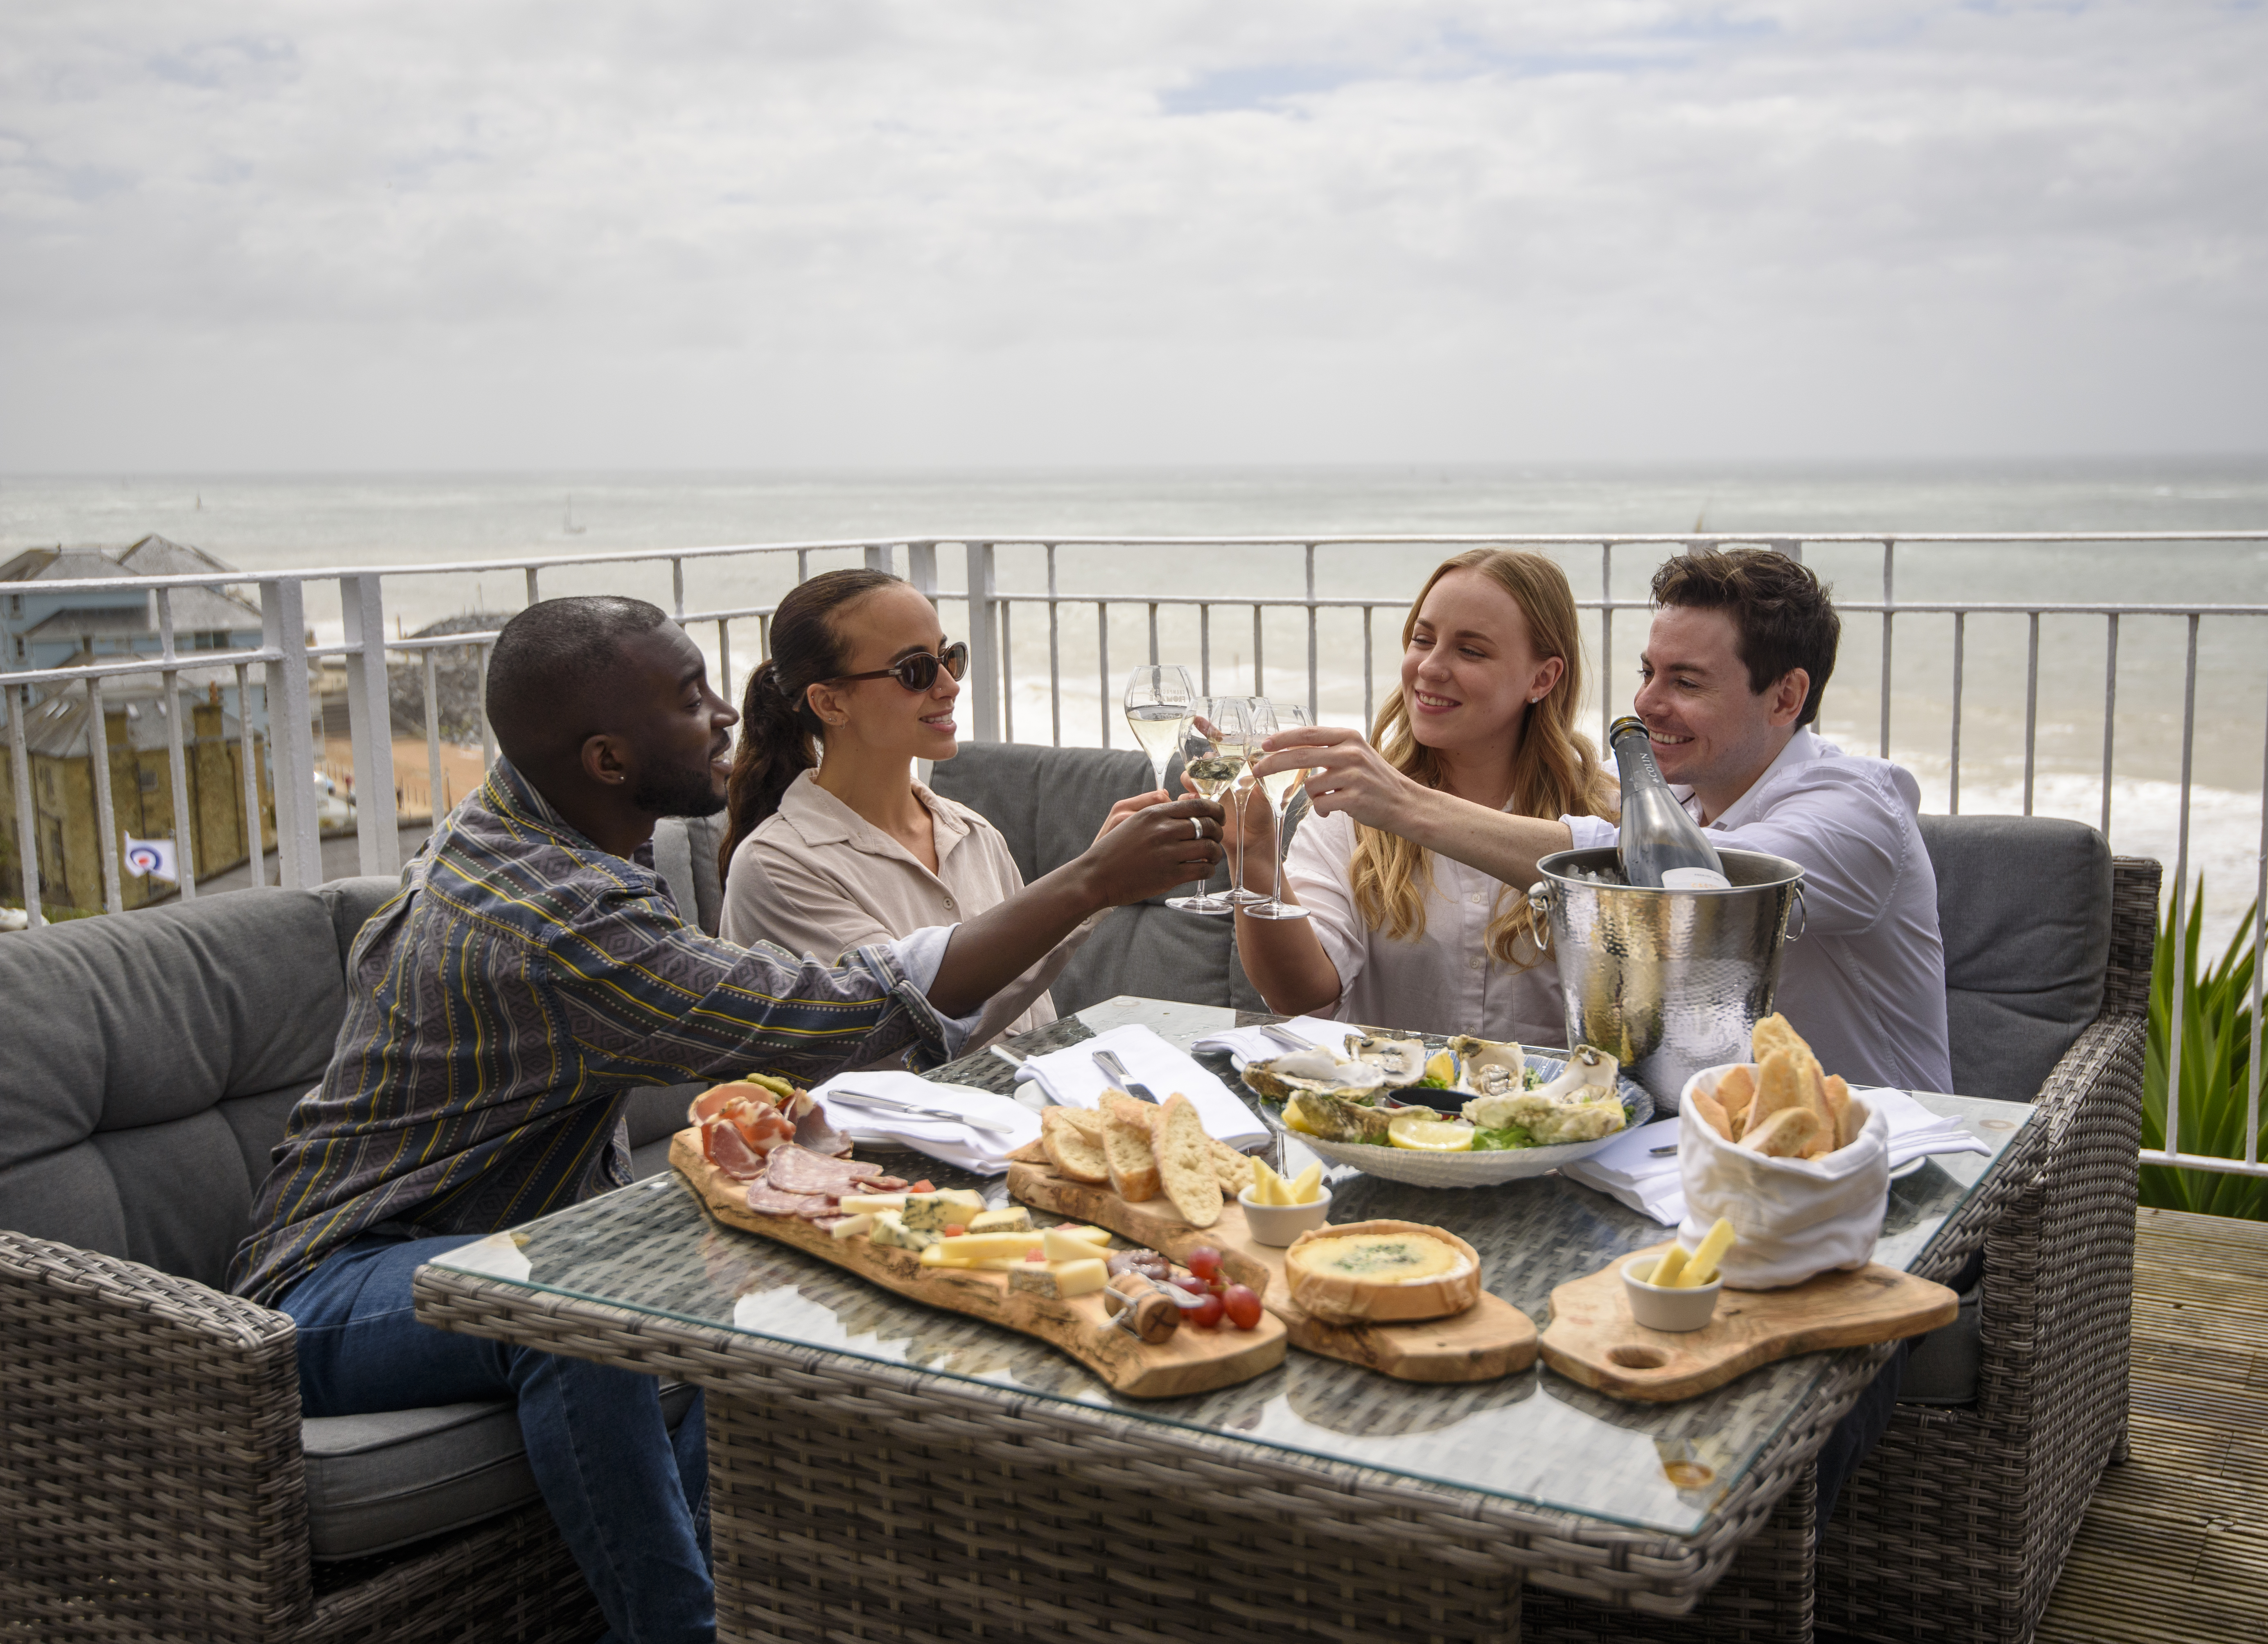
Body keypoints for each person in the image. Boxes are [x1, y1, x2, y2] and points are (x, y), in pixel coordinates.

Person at [228, 596, 1222, 1644]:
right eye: (688, 699)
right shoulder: (554, 923)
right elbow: (835, 1007)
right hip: (322, 1286)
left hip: (471, 1236)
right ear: (607, 759)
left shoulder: (527, 824)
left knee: (740, 1256)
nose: (724, 715)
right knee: (579, 1305)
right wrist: (1092, 882)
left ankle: (768, 1580)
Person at [1252, 545, 1953, 1095]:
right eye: (1648, 672)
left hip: (1877, 1164)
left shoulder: (1860, 810)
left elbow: (1691, 884)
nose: (1646, 703)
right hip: (1710, 1149)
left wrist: (1401, 804)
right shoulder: (1665, 802)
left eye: (1685, 681)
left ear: (1786, 696)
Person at [718, 569, 1153, 1049]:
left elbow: (1033, 1033)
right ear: (829, 702)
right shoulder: (779, 866)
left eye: (950, 658)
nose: (949, 685)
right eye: (916, 670)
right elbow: (905, 1033)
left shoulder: (973, 833)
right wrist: (1091, 883)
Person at [1226, 548, 1616, 1045]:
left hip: (1554, 1118)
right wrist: (1253, 853)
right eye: (1422, 639)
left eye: (1470, 650)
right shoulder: (1347, 811)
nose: (1429, 667)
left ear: (1543, 678)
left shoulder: (1605, 815)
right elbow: (1299, 995)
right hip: (1388, 1113)